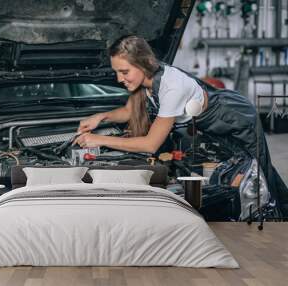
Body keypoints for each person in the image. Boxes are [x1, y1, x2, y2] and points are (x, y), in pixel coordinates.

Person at [73, 35, 288, 215]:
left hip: (235, 117)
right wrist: (100, 117)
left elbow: (150, 145)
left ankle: (279, 221)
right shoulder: (146, 82)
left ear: (142, 64)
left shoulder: (172, 87)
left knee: (261, 171)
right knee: (248, 171)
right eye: (116, 72)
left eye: (124, 71)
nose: (119, 79)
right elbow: (128, 111)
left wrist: (97, 139)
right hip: (211, 124)